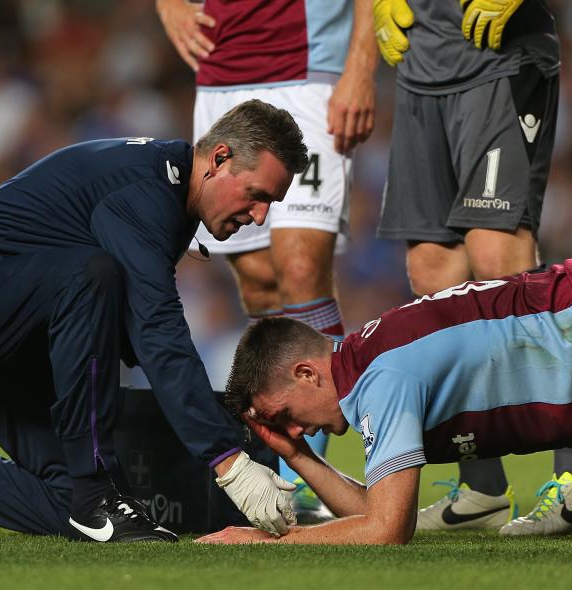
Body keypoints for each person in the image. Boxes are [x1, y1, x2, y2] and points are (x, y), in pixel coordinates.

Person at [0, 99, 309, 543]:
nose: (261, 216)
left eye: (271, 202)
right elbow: (155, 331)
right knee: (92, 276)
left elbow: (140, 333)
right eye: (256, 194)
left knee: (73, 502)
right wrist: (228, 462)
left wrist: (231, 415)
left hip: (11, 323)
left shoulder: (169, 192)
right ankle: (96, 484)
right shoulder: (147, 190)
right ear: (219, 158)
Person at [197, 247, 572, 546]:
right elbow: (382, 510)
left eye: (287, 418)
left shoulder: (381, 378)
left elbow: (386, 530)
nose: (300, 431)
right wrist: (297, 457)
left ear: (307, 373)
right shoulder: (366, 364)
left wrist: (267, 540)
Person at [372, 0, 572, 535]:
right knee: (433, 272)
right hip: (421, 69)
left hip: (498, 56)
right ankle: (481, 487)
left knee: (500, 259)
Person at [156, 0, 378, 522]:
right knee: (257, 282)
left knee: (300, 269)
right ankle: (284, 470)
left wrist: (361, 64)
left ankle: (314, 480)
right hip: (222, 73)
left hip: (309, 68)